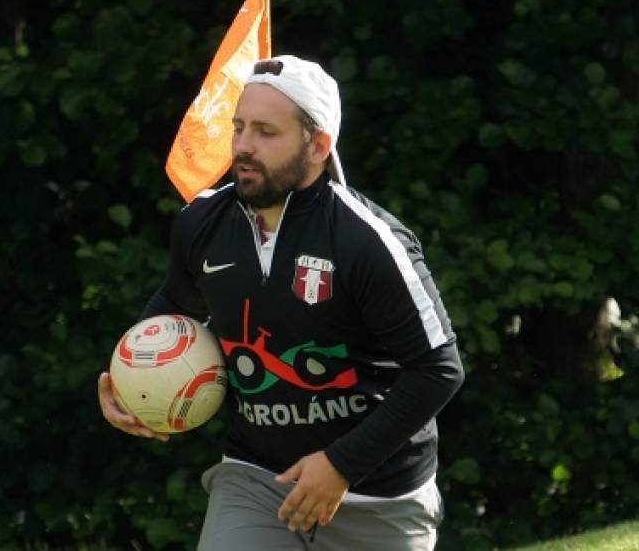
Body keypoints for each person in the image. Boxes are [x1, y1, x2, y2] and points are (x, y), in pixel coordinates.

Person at [98, 54, 465, 551]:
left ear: (318, 146)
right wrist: (130, 378)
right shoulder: (201, 223)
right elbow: (177, 301)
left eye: (266, 132)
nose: (243, 146)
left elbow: (439, 369)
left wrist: (340, 465)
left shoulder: (368, 240)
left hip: (379, 495)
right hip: (257, 479)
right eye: (239, 127)